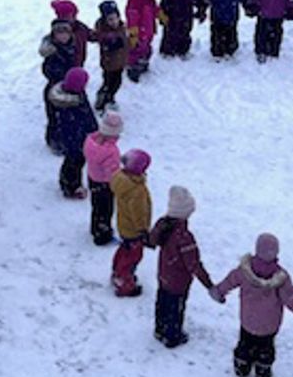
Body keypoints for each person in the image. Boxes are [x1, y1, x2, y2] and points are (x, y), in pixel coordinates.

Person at [210, 233, 293, 377]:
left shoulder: (244, 271)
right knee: (266, 349)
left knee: (245, 344)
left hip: (248, 320)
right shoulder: (280, 278)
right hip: (269, 326)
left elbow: (229, 281)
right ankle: (262, 375)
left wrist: (218, 292)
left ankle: (241, 369)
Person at [148, 186, 214, 348]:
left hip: (164, 274)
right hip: (178, 281)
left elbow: (151, 241)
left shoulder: (162, 225)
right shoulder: (184, 238)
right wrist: (209, 285)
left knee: (162, 302)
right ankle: (172, 335)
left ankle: (160, 329)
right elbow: (194, 265)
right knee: (175, 308)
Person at [49, 67, 98, 199]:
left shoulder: (77, 96)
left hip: (80, 138)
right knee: (73, 163)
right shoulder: (70, 106)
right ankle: (70, 187)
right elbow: (71, 127)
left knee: (74, 162)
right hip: (75, 141)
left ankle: (69, 182)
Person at [110, 149, 151, 297]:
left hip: (124, 226)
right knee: (133, 257)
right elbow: (138, 213)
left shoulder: (120, 180)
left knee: (124, 251)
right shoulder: (136, 190)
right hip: (134, 230)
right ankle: (125, 283)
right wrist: (143, 230)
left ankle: (117, 272)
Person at [84, 111, 124, 246]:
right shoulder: (111, 151)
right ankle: (103, 235)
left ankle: (95, 227)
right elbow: (111, 172)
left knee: (96, 206)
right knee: (106, 210)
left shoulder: (91, 141)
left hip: (92, 177)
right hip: (105, 184)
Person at [38, 19, 75, 153]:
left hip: (67, 86)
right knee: (54, 116)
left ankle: (64, 137)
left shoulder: (71, 46)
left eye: (66, 33)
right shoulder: (53, 52)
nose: (63, 36)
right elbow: (47, 69)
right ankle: (53, 139)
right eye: (60, 33)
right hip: (54, 88)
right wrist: (59, 76)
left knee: (66, 114)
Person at [92, 0, 131, 110]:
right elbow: (103, 40)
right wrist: (113, 40)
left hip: (120, 63)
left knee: (117, 83)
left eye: (116, 18)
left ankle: (110, 98)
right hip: (109, 65)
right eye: (110, 19)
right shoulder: (104, 32)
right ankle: (101, 103)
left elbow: (126, 42)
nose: (114, 22)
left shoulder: (121, 27)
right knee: (108, 84)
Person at [125, 0, 160, 82]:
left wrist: (159, 14)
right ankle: (133, 67)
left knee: (146, 47)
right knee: (136, 49)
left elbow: (153, 7)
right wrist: (133, 29)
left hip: (148, 28)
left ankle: (143, 62)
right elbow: (132, 14)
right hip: (139, 30)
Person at [50, 0, 94, 68]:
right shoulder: (59, 32)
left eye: (75, 15)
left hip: (79, 63)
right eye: (70, 16)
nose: (74, 18)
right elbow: (49, 43)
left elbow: (91, 35)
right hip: (65, 68)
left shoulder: (80, 27)